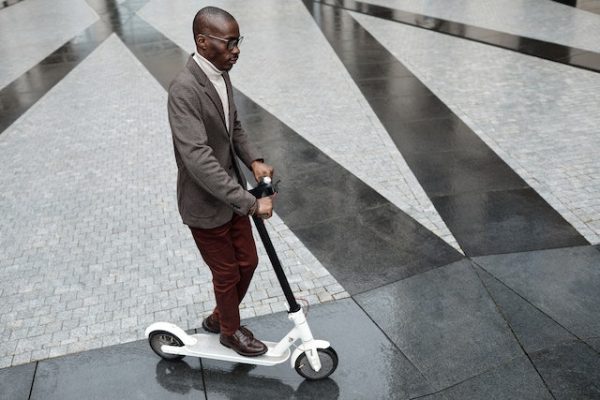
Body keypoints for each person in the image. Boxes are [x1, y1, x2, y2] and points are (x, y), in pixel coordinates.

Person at [167, 6, 274, 357]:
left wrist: (254, 161)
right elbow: (197, 159)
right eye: (230, 43)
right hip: (205, 205)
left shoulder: (220, 72)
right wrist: (250, 202)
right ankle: (230, 331)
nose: (236, 50)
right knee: (227, 273)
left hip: (230, 197)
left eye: (237, 41)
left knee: (249, 263)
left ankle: (217, 319)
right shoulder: (184, 90)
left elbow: (234, 126)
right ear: (202, 41)